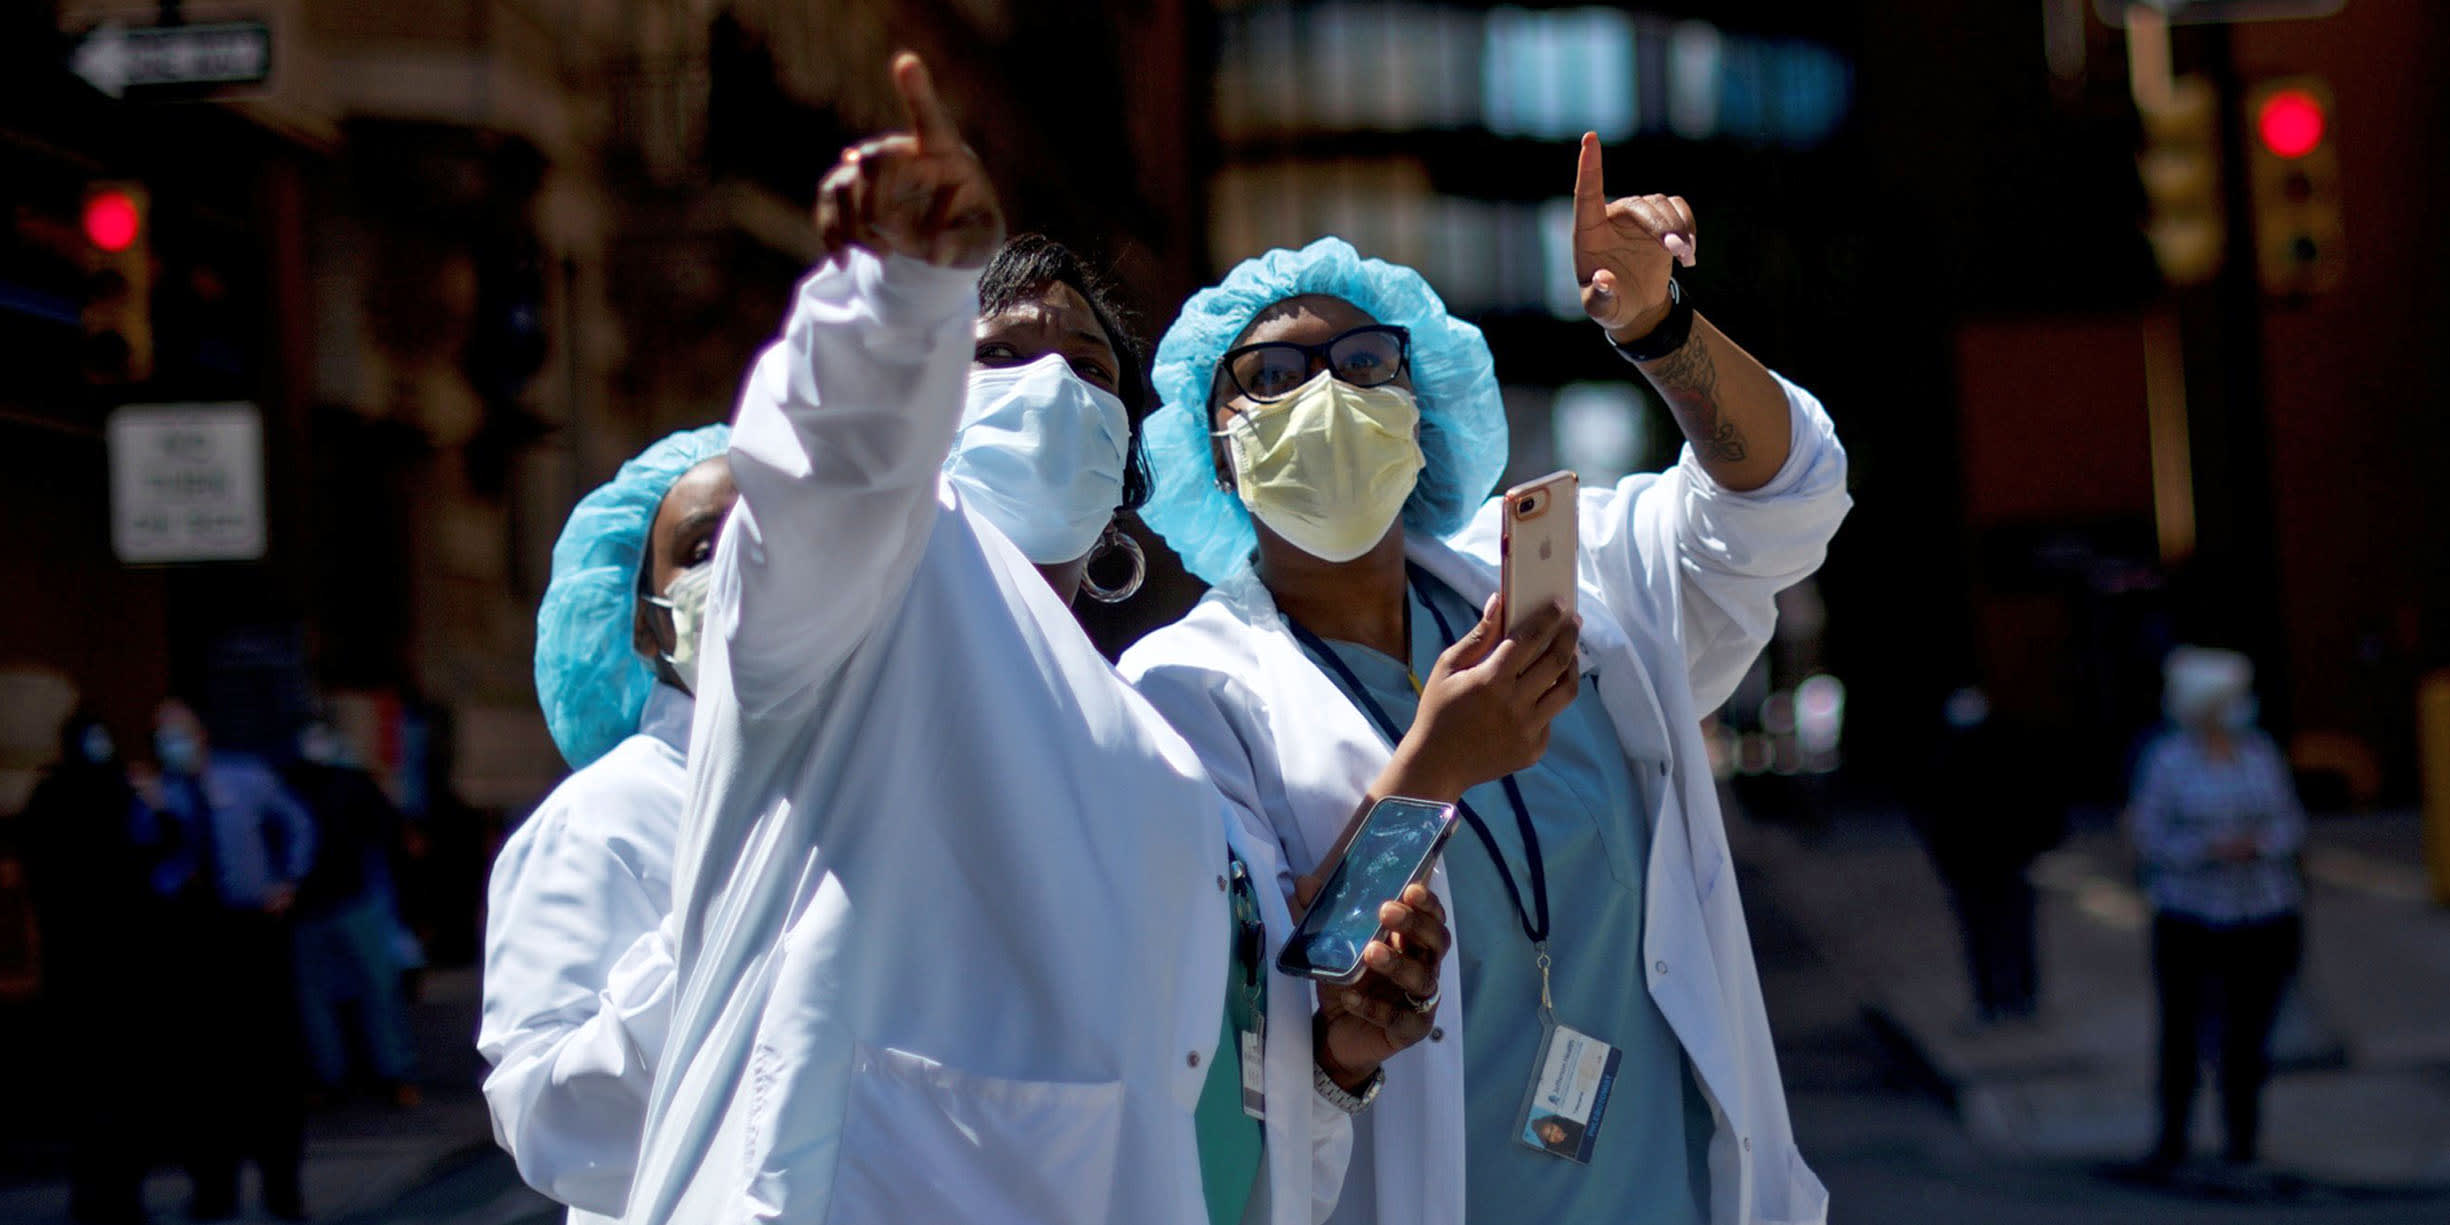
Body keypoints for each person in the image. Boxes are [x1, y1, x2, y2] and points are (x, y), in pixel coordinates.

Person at [621, 53, 1445, 1225]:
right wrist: (892, 299)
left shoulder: (1155, 757)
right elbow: (816, 488)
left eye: (1090, 366)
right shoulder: (881, 602)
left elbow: (1194, 1083)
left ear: (1128, 458)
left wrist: (1335, 1061)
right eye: (998, 355)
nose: (1050, 387)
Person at [1120, 132, 1848, 1225]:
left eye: (1365, 363)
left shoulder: (1563, 582)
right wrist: (1433, 768)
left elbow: (1781, 499)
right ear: (1214, 448)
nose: (1326, 394)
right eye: (1270, 377)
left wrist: (1660, 330)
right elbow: (1261, 1019)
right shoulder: (1184, 693)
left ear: (1422, 407)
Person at [478, 423, 734, 1224]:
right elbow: (549, 1121)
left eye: (776, 531)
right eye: (701, 547)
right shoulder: (600, 817)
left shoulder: (885, 778)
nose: (745, 564)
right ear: (646, 625)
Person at [2128, 646, 2306, 1173]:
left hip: (2262, 915)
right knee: (2181, 1033)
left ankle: (2242, 1143)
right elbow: (2149, 834)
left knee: (2247, 1038)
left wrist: (2262, 844)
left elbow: (2290, 821)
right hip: (2190, 917)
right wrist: (2207, 849)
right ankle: (2172, 1140)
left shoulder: (2260, 754)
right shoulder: (2167, 761)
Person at [139, 698, 317, 1222]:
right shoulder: (155, 795)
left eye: (181, 733)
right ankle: (213, 1187)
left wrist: (290, 882)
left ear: (202, 734)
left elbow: (298, 825)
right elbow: (145, 858)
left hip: (252, 931)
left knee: (272, 1065)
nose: (174, 744)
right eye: (162, 735)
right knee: (206, 1071)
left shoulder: (245, 779)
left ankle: (282, 1186)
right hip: (194, 936)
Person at [19, 712, 158, 1224]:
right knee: (117, 1086)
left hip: (80, 965)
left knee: (91, 1087)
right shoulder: (114, 794)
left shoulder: (53, 798)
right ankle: (117, 1193)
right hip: (113, 963)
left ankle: (98, 1192)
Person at [285, 717, 422, 1105]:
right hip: (308, 907)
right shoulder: (291, 785)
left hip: (355, 901)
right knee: (315, 1003)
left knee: (377, 990)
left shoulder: (353, 784)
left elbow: (388, 835)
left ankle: (394, 1073)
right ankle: (331, 1080)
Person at [1911, 687, 2060, 1027]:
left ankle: (2014, 996)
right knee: (1989, 931)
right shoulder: (1950, 760)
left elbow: (2038, 802)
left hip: (2003, 859)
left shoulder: (2005, 757)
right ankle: (1999, 997)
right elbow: (1934, 814)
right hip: (1973, 863)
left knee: (2008, 929)